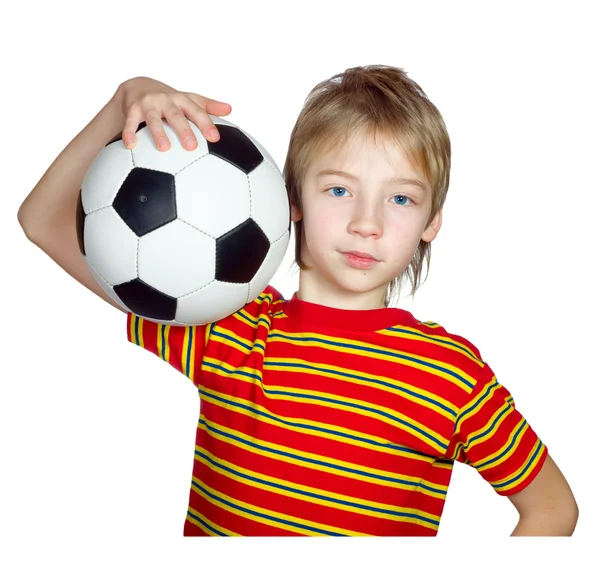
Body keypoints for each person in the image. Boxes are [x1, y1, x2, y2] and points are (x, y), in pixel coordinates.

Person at [17, 66, 578, 536]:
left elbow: (553, 509)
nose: (367, 223)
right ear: (292, 201)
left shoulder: (451, 373)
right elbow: (42, 221)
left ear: (432, 222)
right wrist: (124, 101)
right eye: (339, 189)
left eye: (401, 198)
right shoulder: (223, 327)